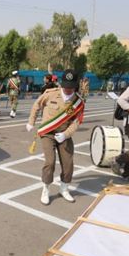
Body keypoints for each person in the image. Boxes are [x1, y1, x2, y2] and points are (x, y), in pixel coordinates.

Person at [26, 69, 85, 205]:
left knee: (68, 163)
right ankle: (45, 189)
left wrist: (65, 135)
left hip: (64, 134)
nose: (67, 89)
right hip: (48, 133)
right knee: (50, 162)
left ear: (75, 85)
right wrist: (31, 121)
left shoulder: (78, 102)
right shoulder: (50, 94)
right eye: (65, 86)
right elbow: (36, 105)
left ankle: (64, 189)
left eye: (71, 87)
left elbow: (77, 122)